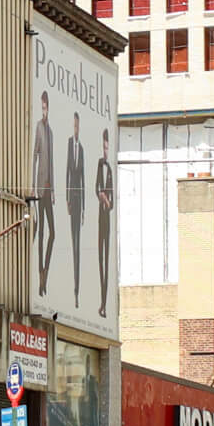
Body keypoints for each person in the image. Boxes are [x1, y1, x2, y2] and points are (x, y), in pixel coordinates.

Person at [32, 93, 56, 295]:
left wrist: (54, 190)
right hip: (40, 187)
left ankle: (45, 273)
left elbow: (53, 163)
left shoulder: (51, 132)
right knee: (41, 233)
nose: (44, 111)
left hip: (49, 189)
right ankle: (40, 278)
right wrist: (33, 185)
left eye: (46, 108)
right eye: (42, 108)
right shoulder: (39, 127)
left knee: (52, 233)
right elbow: (35, 155)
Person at [65, 113, 87, 305]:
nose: (76, 129)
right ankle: (71, 287)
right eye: (74, 126)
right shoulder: (69, 145)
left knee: (78, 245)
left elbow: (83, 179)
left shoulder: (81, 149)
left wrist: (83, 209)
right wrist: (66, 199)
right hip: (71, 200)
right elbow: (67, 173)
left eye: (78, 126)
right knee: (71, 243)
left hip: (79, 200)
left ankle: (77, 289)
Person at [95, 130, 115, 316]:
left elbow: (113, 202)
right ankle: (100, 301)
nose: (105, 150)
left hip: (107, 219)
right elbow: (96, 189)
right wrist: (100, 196)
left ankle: (104, 302)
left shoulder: (110, 170)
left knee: (106, 259)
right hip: (99, 219)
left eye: (107, 147)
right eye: (103, 146)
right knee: (99, 259)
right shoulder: (99, 165)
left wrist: (106, 201)